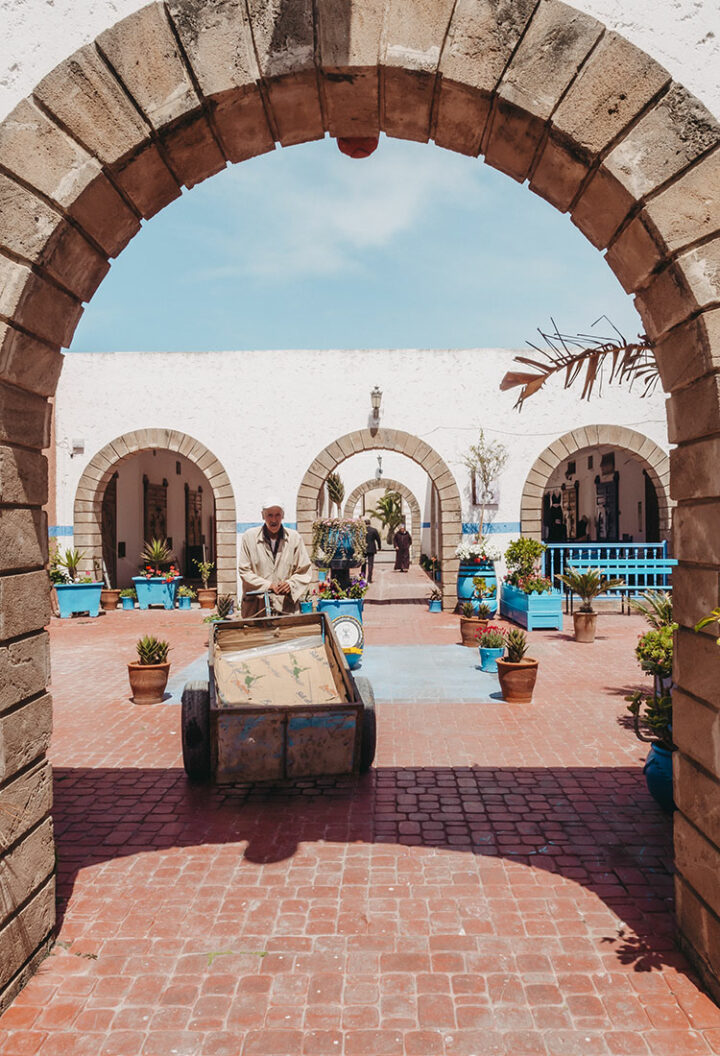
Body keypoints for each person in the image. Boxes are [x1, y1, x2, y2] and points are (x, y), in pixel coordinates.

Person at [238, 499, 312, 617]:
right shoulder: (249, 537)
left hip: (286, 608)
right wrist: (268, 585)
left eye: (277, 515)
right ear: (263, 516)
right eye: (269, 515)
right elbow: (244, 571)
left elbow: (304, 571)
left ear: (283, 516)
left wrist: (290, 584)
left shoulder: (294, 538)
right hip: (256, 609)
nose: (273, 520)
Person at [362, 518, 382, 583]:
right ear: (370, 523)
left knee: (363, 564)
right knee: (370, 564)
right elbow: (378, 539)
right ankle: (369, 579)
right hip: (371, 548)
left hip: (363, 548)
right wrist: (379, 547)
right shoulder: (374, 530)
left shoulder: (362, 530)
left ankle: (362, 578)